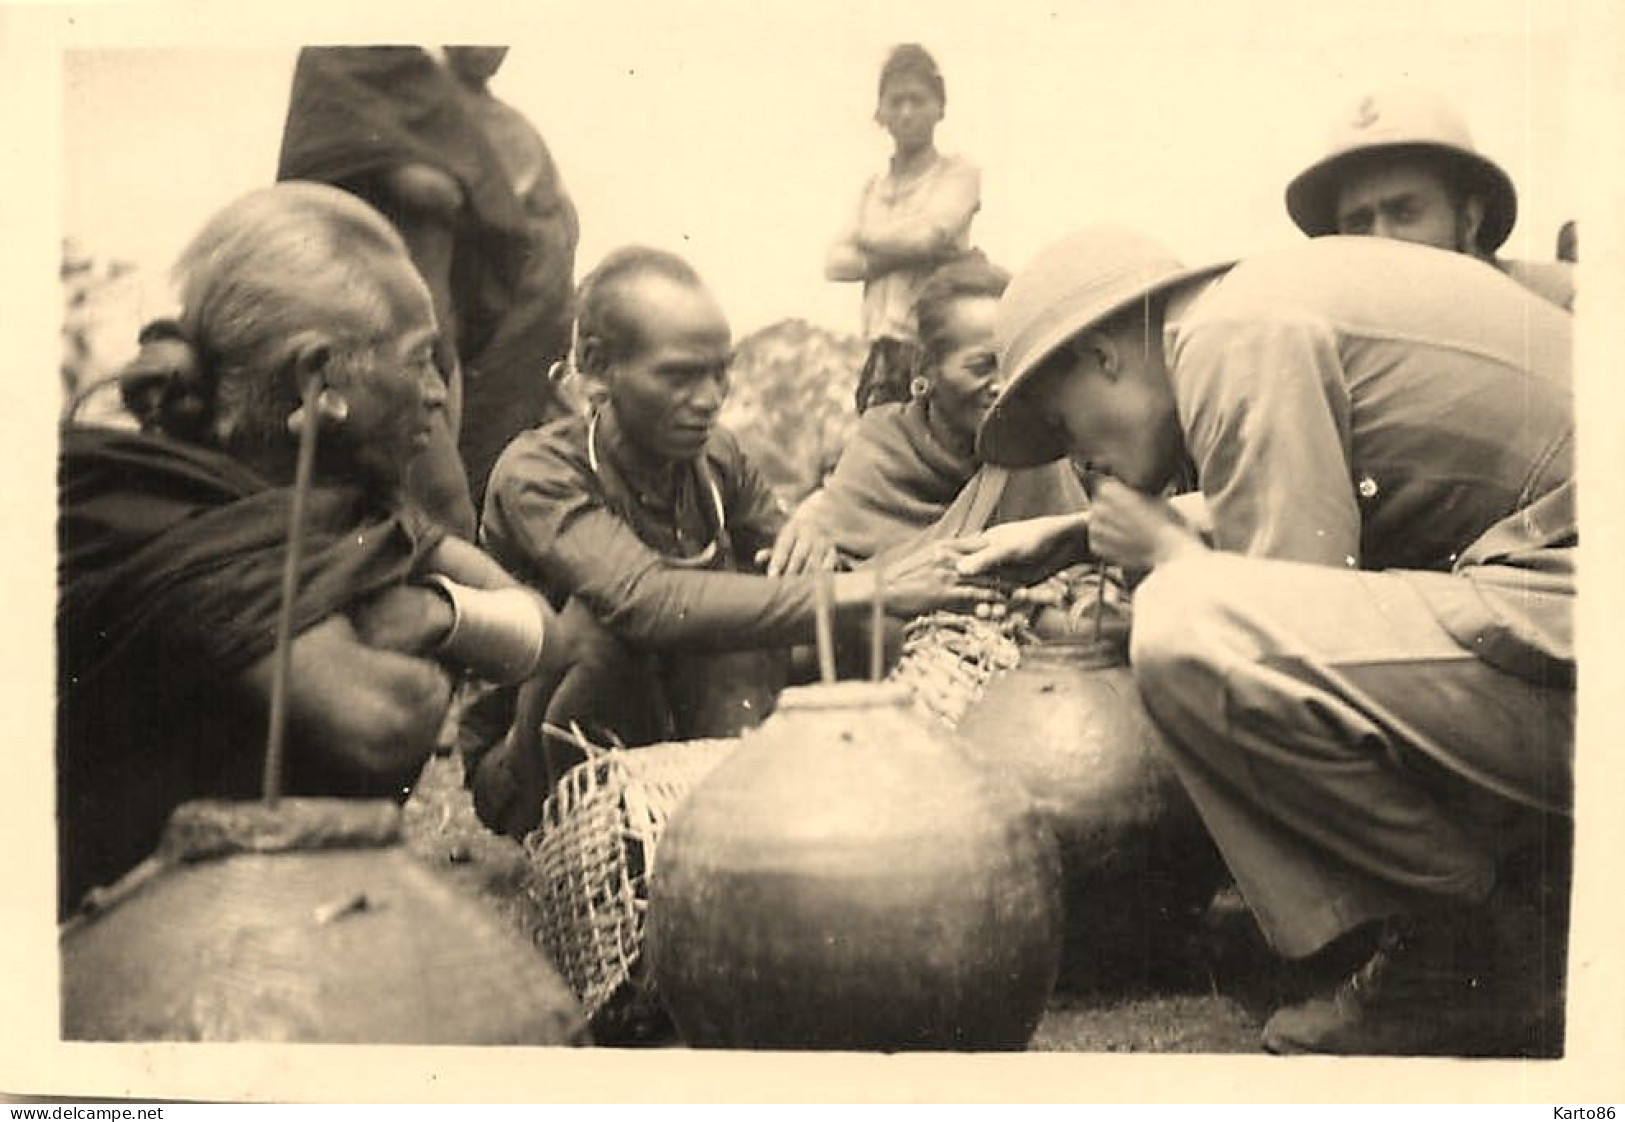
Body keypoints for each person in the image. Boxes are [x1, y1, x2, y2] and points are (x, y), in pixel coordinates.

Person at [954, 227, 1573, 1056]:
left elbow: (1282, 607)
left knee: (1188, 627)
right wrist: (1074, 535)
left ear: (1103, 357)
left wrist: (1166, 556)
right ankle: (1486, 921)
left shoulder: (1229, 338)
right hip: (1565, 613)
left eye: (1068, 431)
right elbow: (1340, 492)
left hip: (1574, 635)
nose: (1084, 462)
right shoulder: (1256, 306)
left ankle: (1467, 953)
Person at [56, 183, 576, 918]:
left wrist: (428, 615)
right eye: (419, 361)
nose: (435, 393)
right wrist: (448, 627)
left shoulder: (356, 506)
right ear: (317, 377)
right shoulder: (159, 511)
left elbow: (543, 632)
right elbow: (380, 716)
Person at [476, 247, 991, 836]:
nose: (709, 397)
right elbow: (645, 602)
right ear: (597, 365)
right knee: (596, 629)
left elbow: (790, 575)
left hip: (670, 718)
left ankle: (739, 822)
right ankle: (593, 836)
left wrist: (808, 541)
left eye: (721, 370)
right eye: (679, 376)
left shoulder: (716, 458)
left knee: (800, 612)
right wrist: (871, 589)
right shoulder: (538, 472)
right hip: (530, 759)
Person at [278, 45, 580, 530]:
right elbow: (413, 190)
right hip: (375, 346)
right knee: (444, 509)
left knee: (455, 510)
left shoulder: (472, 113)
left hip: (446, 344)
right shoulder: (345, 60)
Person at [789, 254, 1087, 567]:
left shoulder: (1036, 457)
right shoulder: (880, 448)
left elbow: (1080, 574)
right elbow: (831, 568)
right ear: (927, 369)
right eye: (981, 367)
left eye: (1013, 365)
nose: (1003, 385)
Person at [1284, 82, 1575, 310]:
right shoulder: (1339, 343)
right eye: (1359, 223)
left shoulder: (1562, 303)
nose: (1380, 239)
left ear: (1469, 219)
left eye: (1405, 214)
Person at [826, 43, 981, 414]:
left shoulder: (958, 174)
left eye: (918, 100)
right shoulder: (873, 188)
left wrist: (864, 240)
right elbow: (834, 263)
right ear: (880, 112)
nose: (907, 112)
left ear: (940, 108)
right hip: (883, 351)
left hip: (936, 346)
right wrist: (901, 251)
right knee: (877, 451)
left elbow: (930, 236)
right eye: (896, 102)